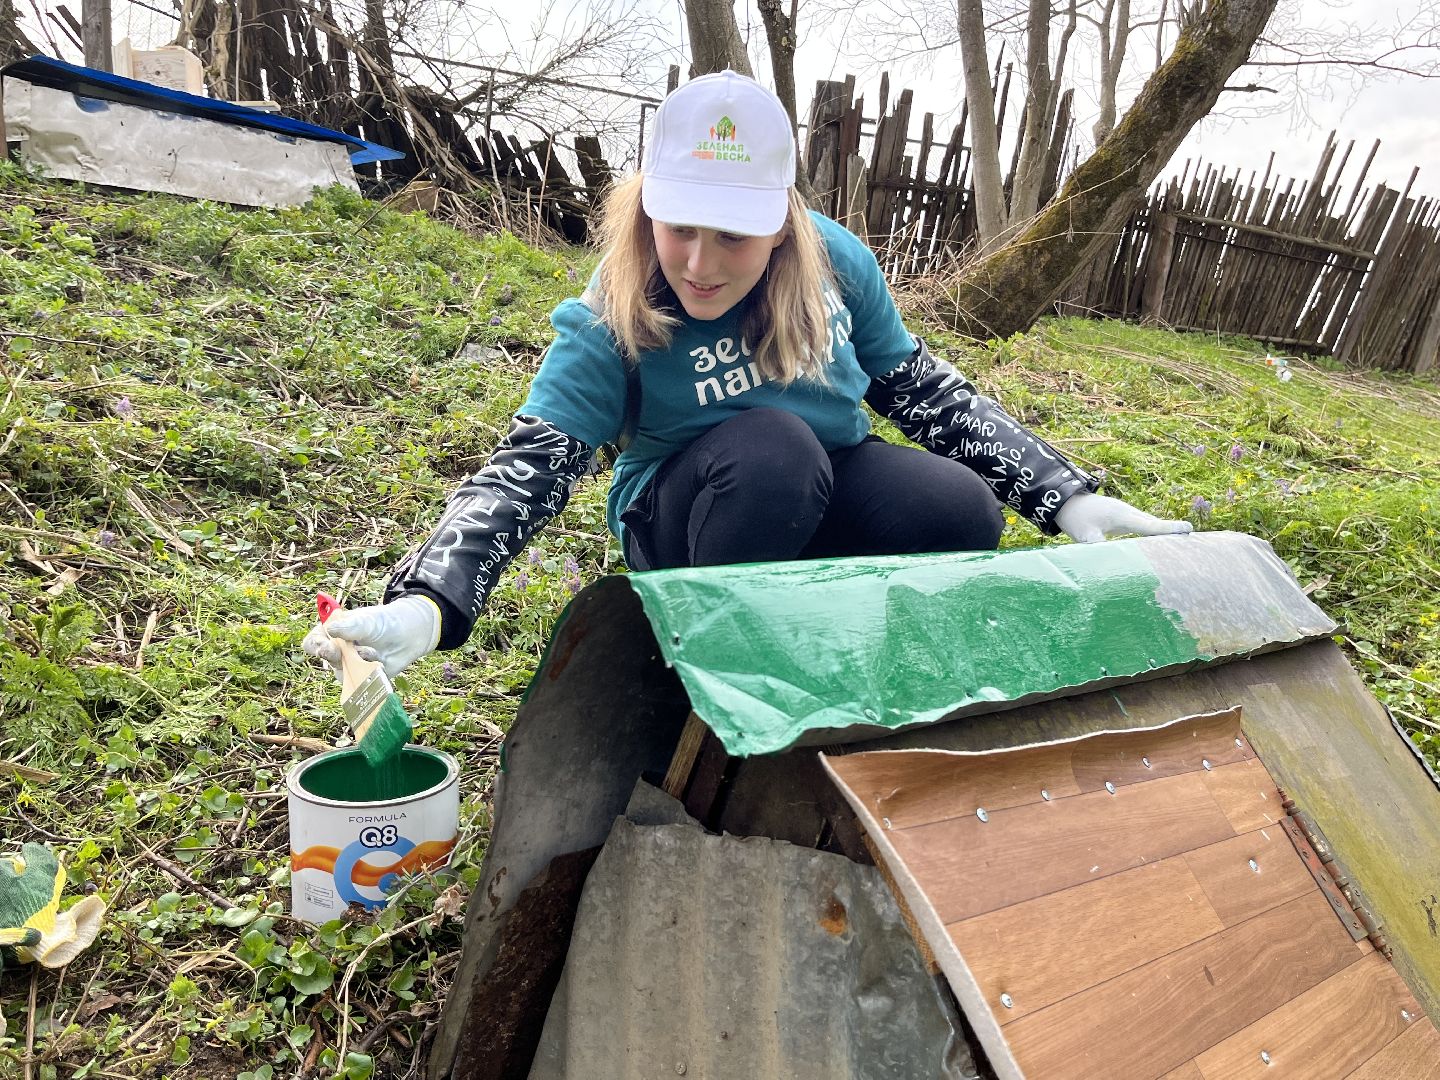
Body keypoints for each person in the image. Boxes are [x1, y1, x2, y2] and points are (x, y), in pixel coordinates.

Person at [304, 71, 1190, 678]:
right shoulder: (619, 305)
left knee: (957, 508)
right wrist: (432, 600)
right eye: (678, 223)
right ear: (649, 205)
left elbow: (921, 390)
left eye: (732, 233)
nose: (697, 261)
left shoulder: (837, 265)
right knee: (773, 450)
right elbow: (527, 468)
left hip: (820, 477)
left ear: (780, 225)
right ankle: (717, 664)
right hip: (689, 516)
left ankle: (834, 643)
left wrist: (1066, 497)